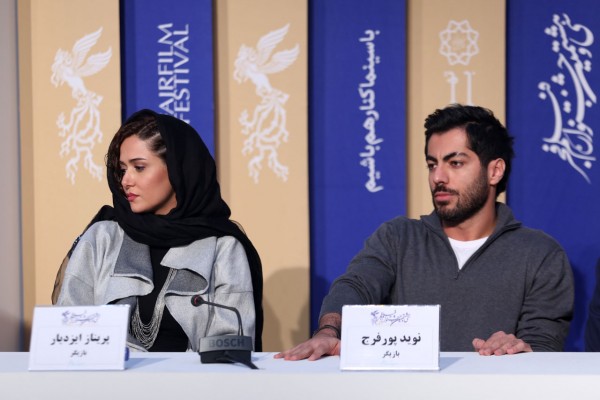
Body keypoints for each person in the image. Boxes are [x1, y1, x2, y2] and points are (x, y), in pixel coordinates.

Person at [276, 104, 573, 360]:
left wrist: (518, 348)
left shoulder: (540, 254)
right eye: (432, 164)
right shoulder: (398, 238)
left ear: (494, 171)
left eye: (455, 163)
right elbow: (356, 286)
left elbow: (544, 345)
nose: (438, 177)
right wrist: (329, 331)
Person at [55, 109, 263, 352]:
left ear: (177, 168)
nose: (126, 181)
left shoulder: (223, 248)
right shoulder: (102, 238)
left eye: (139, 167)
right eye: (122, 170)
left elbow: (232, 345)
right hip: (108, 377)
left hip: (193, 377)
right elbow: (67, 332)